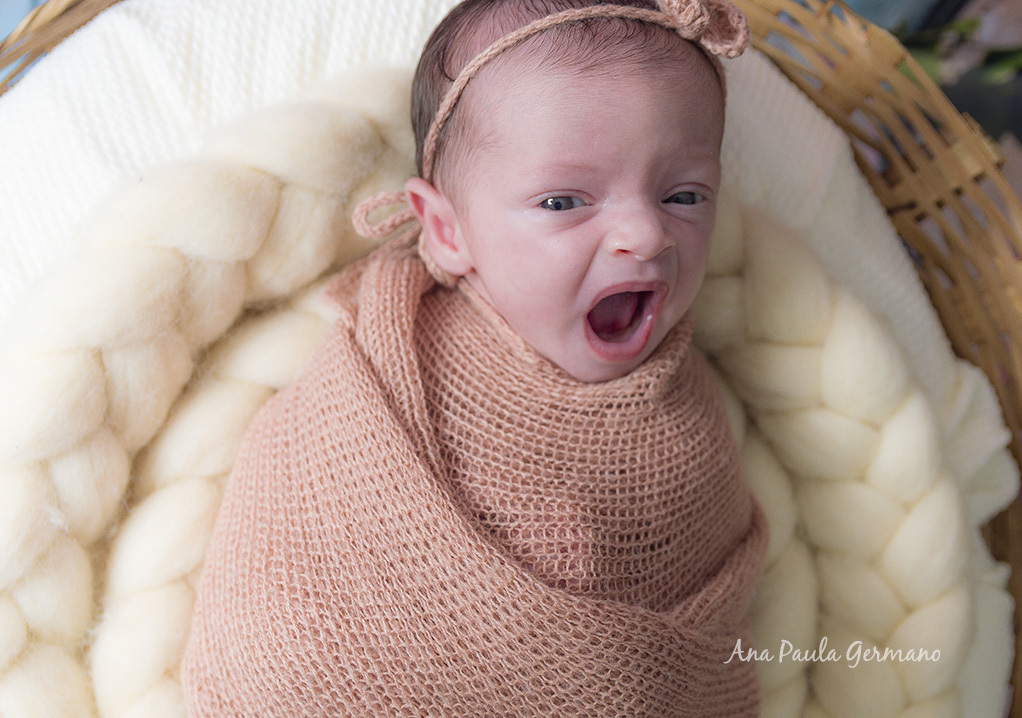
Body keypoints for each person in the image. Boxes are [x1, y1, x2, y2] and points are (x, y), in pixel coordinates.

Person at [182, 0, 768, 715]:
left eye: (684, 194)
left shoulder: (695, 426)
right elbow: (295, 542)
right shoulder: (391, 363)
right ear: (446, 229)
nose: (646, 234)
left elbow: (701, 654)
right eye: (562, 201)